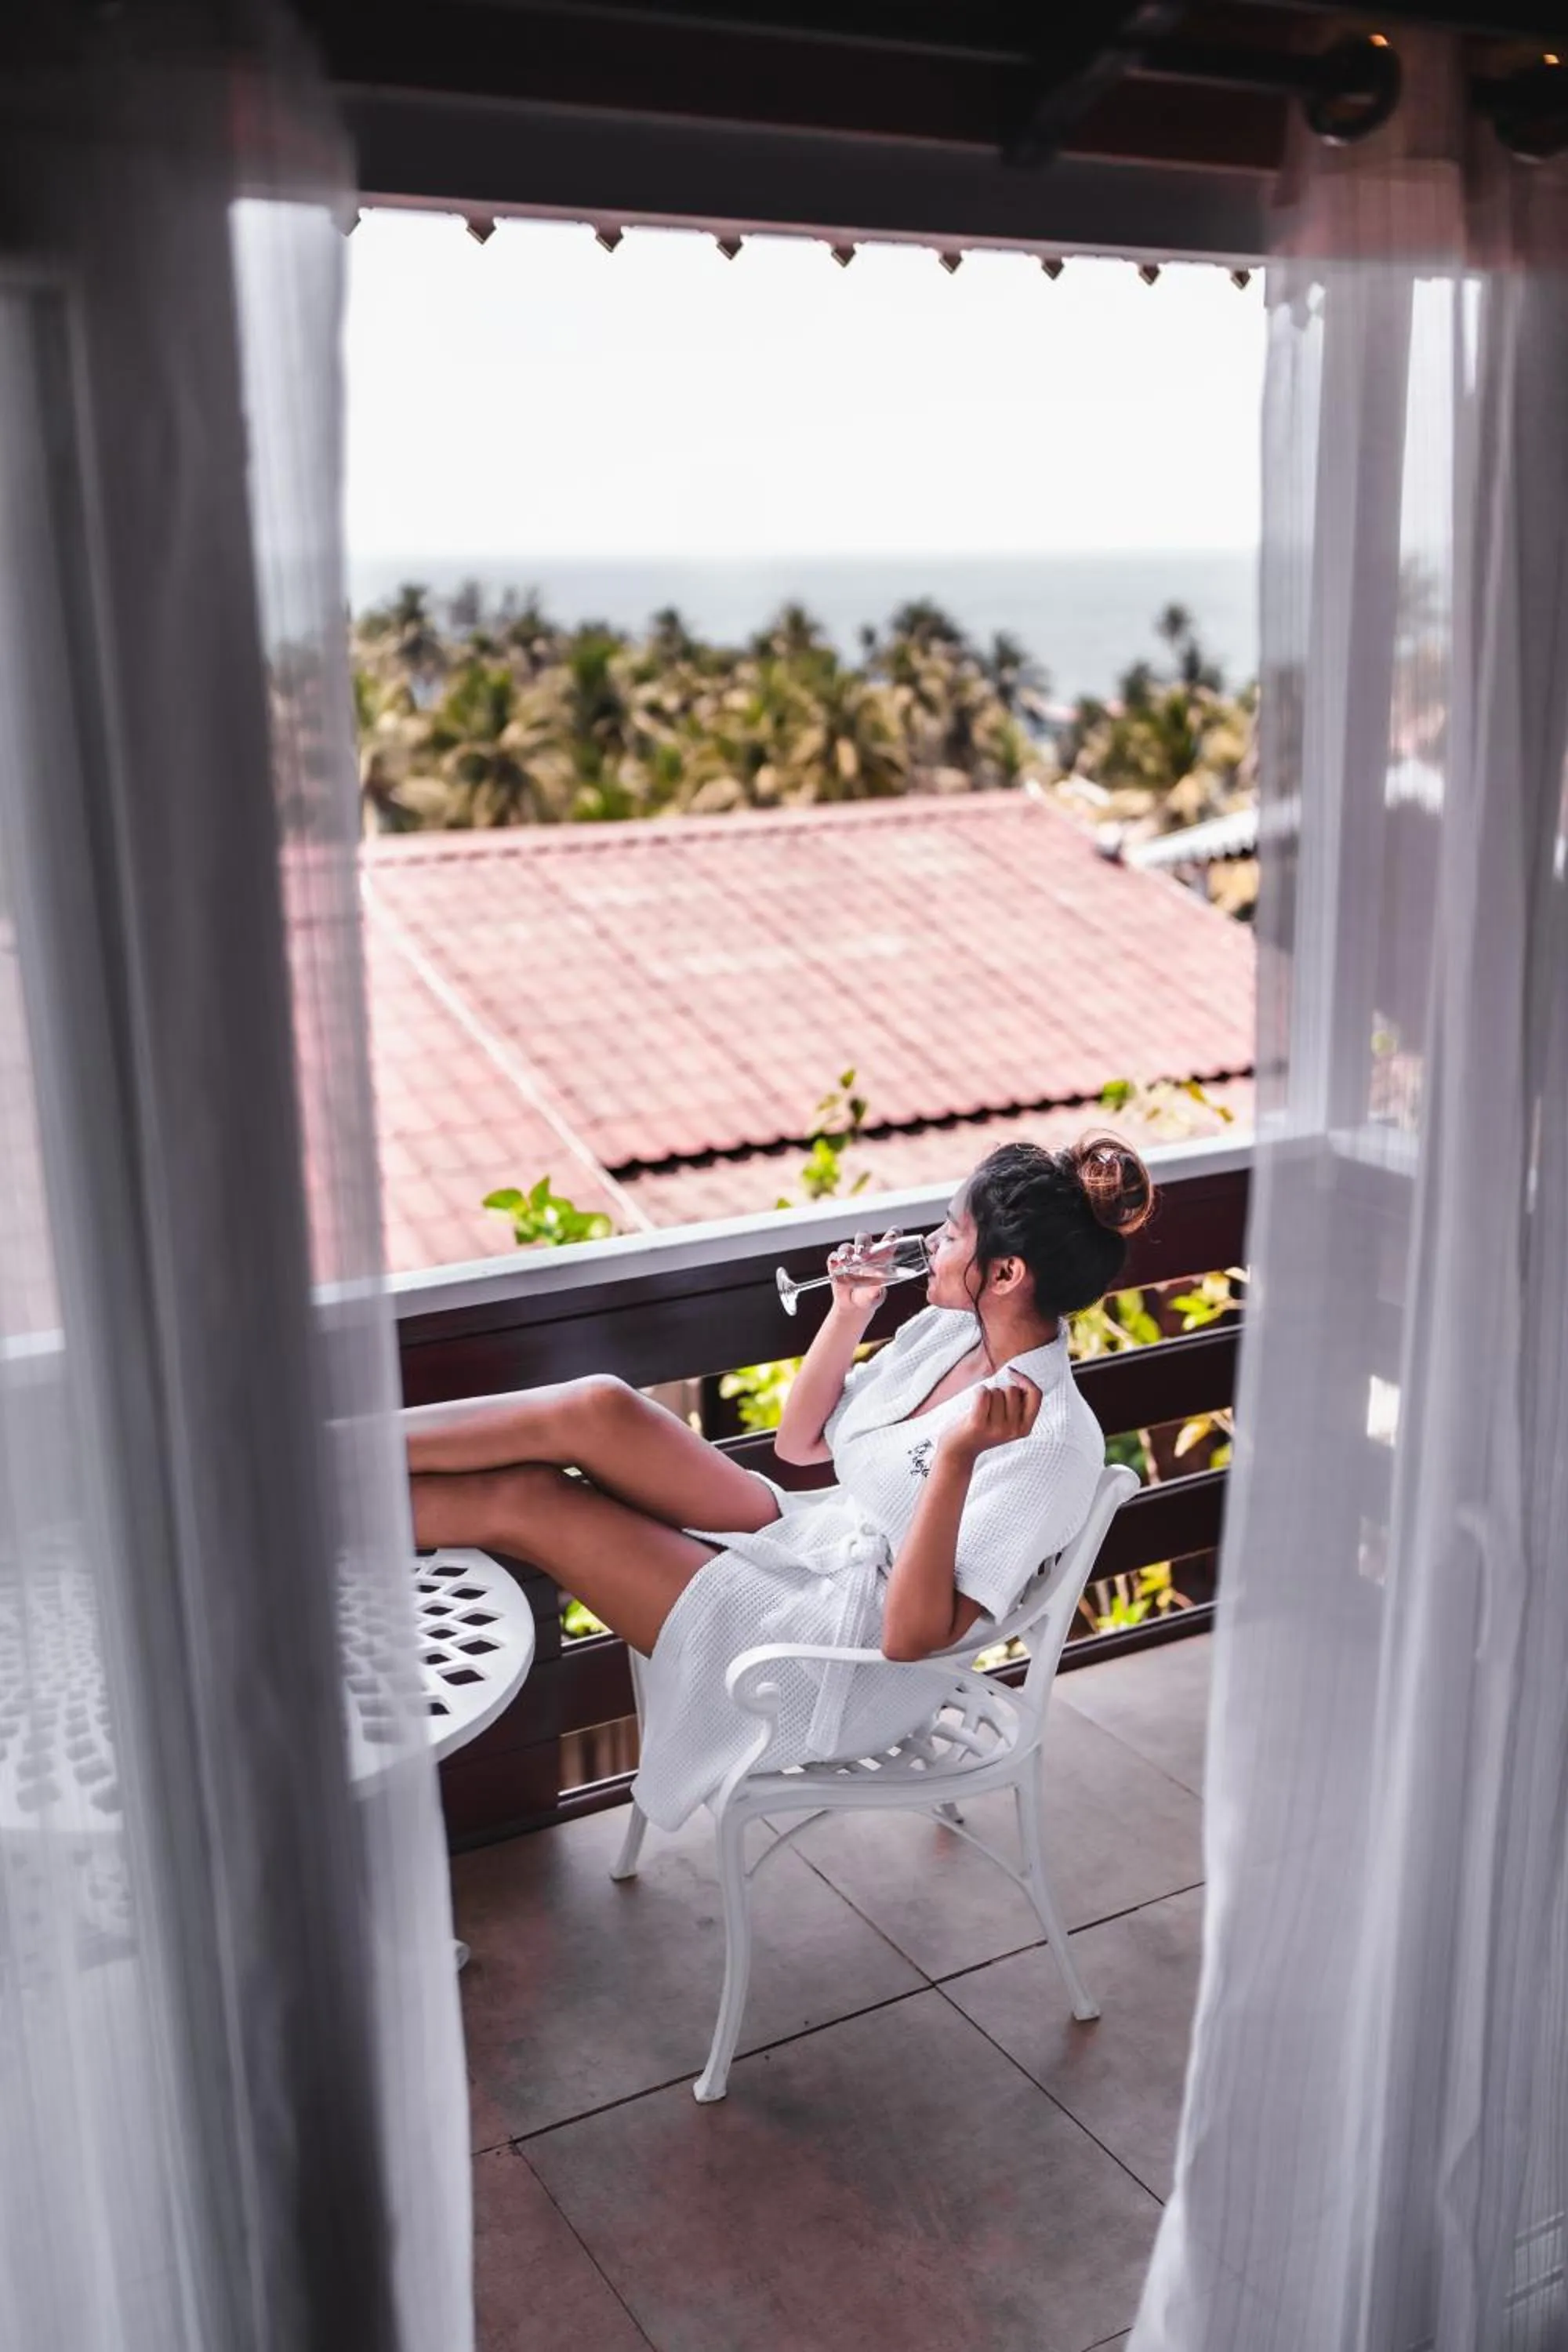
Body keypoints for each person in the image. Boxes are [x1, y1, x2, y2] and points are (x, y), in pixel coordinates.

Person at [404, 1134, 1153, 1830]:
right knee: (598, 1407)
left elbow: (910, 1638)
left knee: (531, 1501)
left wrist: (954, 1460)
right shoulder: (953, 1331)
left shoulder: (1049, 1443)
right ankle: (325, 1450)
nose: (932, 1244)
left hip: (839, 1661)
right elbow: (799, 1446)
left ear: (1007, 1274)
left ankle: (307, 1511)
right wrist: (847, 1313)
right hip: (812, 1541)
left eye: (952, 1234)